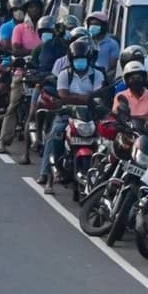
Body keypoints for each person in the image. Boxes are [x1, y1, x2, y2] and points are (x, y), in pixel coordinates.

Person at [39, 38, 105, 185]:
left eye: (82, 59)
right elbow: (63, 96)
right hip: (67, 113)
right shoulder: (64, 74)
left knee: (103, 139)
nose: (79, 62)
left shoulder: (98, 75)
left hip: (90, 115)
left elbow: (96, 95)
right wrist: (84, 98)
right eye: (76, 59)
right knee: (56, 132)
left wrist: (75, 98)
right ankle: (45, 171)